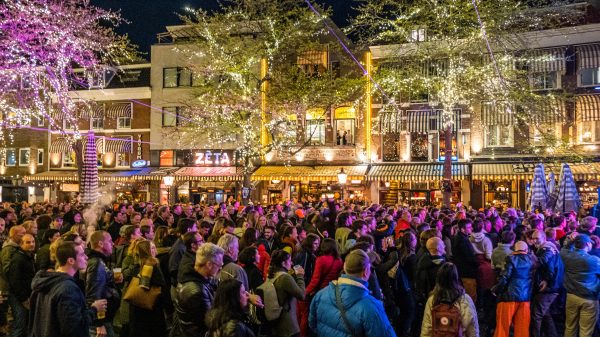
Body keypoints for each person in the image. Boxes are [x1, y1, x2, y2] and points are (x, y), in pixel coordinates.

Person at [309, 249, 396, 337]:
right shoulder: (372, 307)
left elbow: (312, 325)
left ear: (344, 267)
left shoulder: (321, 294)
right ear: (366, 272)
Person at [28, 241, 107, 337]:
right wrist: (94, 309)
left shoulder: (45, 281)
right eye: (82, 255)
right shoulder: (68, 289)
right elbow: (73, 326)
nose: (86, 257)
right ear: (71, 261)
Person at [171, 243, 224, 337]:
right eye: (219, 264)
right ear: (209, 264)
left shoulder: (199, 276)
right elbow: (210, 322)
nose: (221, 268)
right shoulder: (196, 291)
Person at [420, 262, 479, 337]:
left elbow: (426, 330)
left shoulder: (432, 300)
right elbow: (473, 330)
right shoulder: (465, 300)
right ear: (456, 278)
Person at [126, 240, 170, 337]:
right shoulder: (153, 266)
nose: (156, 251)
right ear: (147, 251)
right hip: (152, 310)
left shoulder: (135, 267)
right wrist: (169, 308)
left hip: (137, 309)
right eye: (153, 248)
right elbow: (162, 288)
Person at [492, 241, 536, 337]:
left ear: (514, 249)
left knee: (502, 327)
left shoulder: (510, 259)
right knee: (522, 329)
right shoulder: (533, 260)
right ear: (526, 250)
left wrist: (496, 289)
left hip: (508, 297)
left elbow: (505, 278)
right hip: (525, 298)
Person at [560, 234, 600, 337]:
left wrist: (572, 240)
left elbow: (565, 248)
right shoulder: (594, 260)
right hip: (589, 299)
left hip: (571, 296)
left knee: (569, 327)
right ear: (587, 244)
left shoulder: (566, 256)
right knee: (585, 331)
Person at [86, 230, 123, 337]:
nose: (113, 244)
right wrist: (99, 324)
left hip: (105, 318)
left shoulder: (99, 261)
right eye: (110, 241)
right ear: (101, 244)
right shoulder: (96, 263)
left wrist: (111, 278)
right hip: (101, 321)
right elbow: (93, 294)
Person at [531, 229, 564, 337]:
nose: (534, 240)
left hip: (549, 288)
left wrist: (546, 281)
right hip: (552, 286)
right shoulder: (548, 247)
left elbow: (548, 267)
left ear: (544, 238)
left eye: (537, 238)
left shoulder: (546, 249)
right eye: (533, 238)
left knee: (537, 314)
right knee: (545, 313)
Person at [267, 250, 305, 337]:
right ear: (283, 263)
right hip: (288, 326)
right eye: (289, 260)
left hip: (277, 323)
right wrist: (300, 276)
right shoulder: (285, 278)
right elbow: (301, 295)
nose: (291, 263)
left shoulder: (271, 275)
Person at [7, 233, 36, 337]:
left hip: (25, 295)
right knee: (20, 323)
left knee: (25, 324)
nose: (32, 244)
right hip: (18, 296)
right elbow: (15, 281)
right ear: (21, 244)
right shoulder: (18, 259)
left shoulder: (28, 256)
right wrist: (23, 299)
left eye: (33, 241)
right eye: (28, 242)